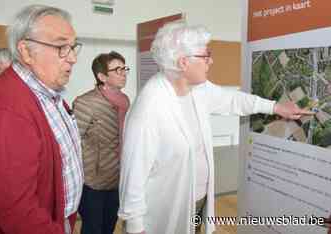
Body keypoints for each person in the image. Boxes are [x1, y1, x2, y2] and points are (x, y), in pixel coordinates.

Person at [117, 21, 314, 234]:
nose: (211, 61)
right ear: (184, 62)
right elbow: (132, 176)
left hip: (198, 204)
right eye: (205, 55)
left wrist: (276, 107)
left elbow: (232, 100)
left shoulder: (196, 89)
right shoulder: (148, 108)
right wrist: (135, 228)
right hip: (165, 214)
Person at [0, 4, 84, 234]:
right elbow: (17, 213)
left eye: (73, 47)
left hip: (57, 219)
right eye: (61, 47)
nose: (73, 59)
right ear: (26, 52)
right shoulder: (9, 111)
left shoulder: (45, 90)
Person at [73, 51, 130, 234]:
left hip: (117, 178)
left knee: (109, 226)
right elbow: (73, 143)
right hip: (93, 183)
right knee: (92, 229)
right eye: (117, 69)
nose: (123, 73)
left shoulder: (125, 101)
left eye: (124, 68)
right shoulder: (85, 103)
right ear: (102, 76)